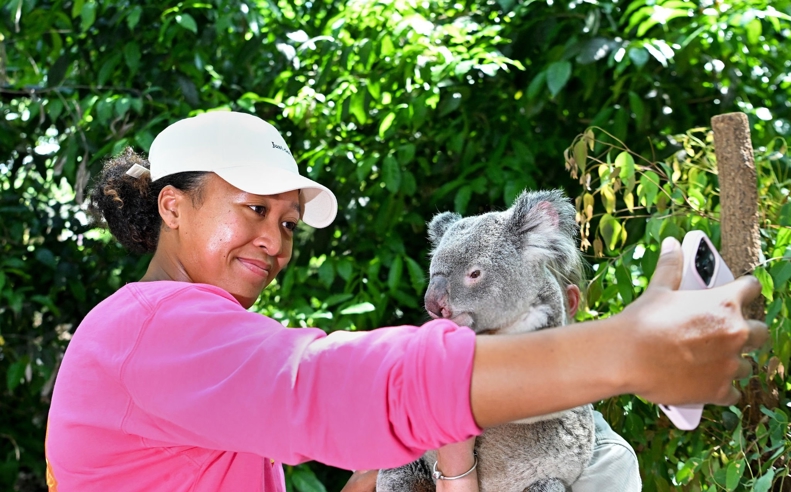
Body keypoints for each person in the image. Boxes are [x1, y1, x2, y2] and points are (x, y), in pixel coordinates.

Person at [45, 111, 767, 492]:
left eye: (288, 223)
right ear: (173, 206)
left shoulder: (169, 339)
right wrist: (622, 353)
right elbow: (339, 383)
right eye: (255, 209)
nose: (274, 241)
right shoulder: (153, 329)